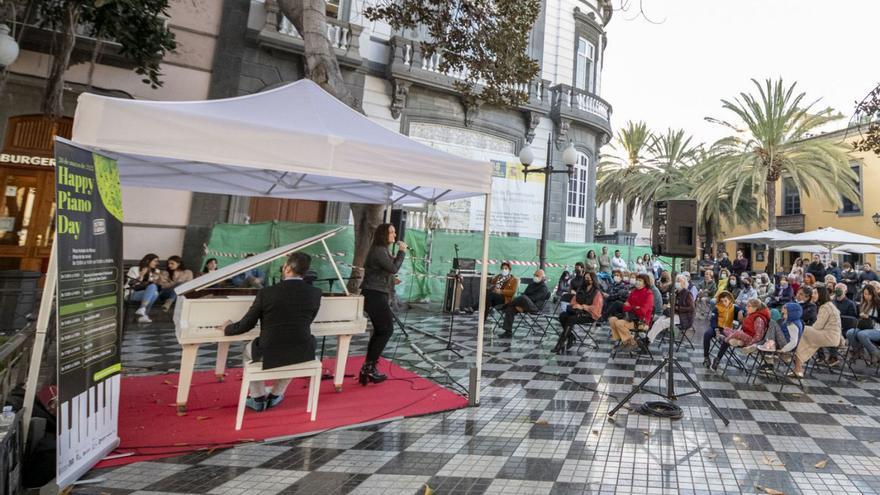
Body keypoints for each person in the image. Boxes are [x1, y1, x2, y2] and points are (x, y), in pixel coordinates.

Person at [218, 252, 320, 410]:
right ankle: (276, 394)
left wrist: (227, 328)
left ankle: (258, 398)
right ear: (305, 272)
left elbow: (247, 325)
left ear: (286, 269)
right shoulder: (315, 293)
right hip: (303, 348)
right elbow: (308, 320)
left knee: (247, 352)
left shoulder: (266, 293)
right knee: (295, 349)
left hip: (269, 349)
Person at [360, 223, 407, 384]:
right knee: (386, 329)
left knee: (381, 330)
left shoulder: (382, 250)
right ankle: (369, 367)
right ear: (383, 235)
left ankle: (369, 367)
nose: (394, 235)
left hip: (377, 292)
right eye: (391, 232)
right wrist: (402, 252)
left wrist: (391, 280)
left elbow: (383, 271)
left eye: (394, 232)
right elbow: (393, 268)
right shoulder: (379, 250)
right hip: (374, 294)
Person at [790, 286, 840, 377]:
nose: (812, 295)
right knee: (804, 337)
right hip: (829, 335)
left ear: (821, 295)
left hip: (829, 336)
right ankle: (797, 366)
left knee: (802, 330)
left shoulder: (825, 307)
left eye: (815, 293)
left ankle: (796, 365)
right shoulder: (829, 305)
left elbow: (818, 326)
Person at [711, 298, 769, 371]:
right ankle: (719, 357)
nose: (746, 307)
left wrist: (750, 345)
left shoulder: (759, 319)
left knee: (735, 335)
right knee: (726, 329)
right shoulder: (750, 314)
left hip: (750, 340)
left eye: (749, 306)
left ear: (755, 308)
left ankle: (723, 341)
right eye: (746, 305)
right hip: (743, 335)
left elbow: (758, 336)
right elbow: (743, 327)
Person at [556, 271, 603, 353]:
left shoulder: (597, 292)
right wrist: (575, 305)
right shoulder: (581, 289)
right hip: (577, 312)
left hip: (589, 315)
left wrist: (583, 307)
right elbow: (574, 300)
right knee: (562, 315)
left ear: (593, 280)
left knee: (571, 319)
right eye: (585, 278)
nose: (586, 280)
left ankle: (560, 343)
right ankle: (570, 337)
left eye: (588, 278)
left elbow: (596, 308)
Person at [608, 273, 654, 351]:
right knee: (612, 320)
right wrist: (635, 307)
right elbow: (625, 307)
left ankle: (632, 343)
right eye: (637, 280)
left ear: (645, 283)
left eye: (640, 280)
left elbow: (642, 311)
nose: (637, 282)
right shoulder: (633, 291)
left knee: (619, 323)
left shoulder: (649, 294)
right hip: (630, 317)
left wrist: (631, 307)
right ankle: (625, 341)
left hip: (641, 321)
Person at [499, 269, 550, 337]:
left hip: (534, 307)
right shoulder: (532, 284)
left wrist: (523, 307)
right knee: (510, 308)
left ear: (542, 277)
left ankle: (505, 306)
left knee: (523, 297)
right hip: (525, 304)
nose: (535, 276)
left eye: (537, 275)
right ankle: (508, 332)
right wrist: (522, 305)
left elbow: (534, 298)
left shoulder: (544, 288)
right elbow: (525, 293)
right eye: (534, 275)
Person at [648, 274, 695, 343]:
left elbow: (691, 308)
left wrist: (677, 307)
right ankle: (649, 339)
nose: (677, 283)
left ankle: (648, 340)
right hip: (673, 313)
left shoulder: (687, 294)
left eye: (679, 281)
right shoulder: (676, 292)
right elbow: (672, 304)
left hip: (684, 317)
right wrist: (668, 306)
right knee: (658, 322)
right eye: (676, 281)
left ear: (684, 283)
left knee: (663, 323)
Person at [847, 284, 880, 364]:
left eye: (869, 294)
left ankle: (876, 353)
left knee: (862, 334)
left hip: (877, 329)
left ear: (873, 294)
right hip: (864, 327)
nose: (867, 296)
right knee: (850, 332)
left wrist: (869, 316)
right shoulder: (863, 304)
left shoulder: (878, 304)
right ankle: (858, 352)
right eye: (865, 294)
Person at [703, 291, 735, 368]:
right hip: (716, 327)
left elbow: (742, 311)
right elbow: (713, 320)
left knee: (727, 340)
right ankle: (706, 357)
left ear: (730, 300)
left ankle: (718, 359)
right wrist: (716, 330)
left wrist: (741, 311)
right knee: (707, 334)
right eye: (721, 301)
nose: (723, 303)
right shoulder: (717, 307)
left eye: (725, 301)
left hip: (727, 329)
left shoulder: (734, 308)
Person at [127, 254, 162, 323]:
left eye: (157, 262)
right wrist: (141, 276)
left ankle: (142, 309)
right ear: (148, 260)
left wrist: (157, 280)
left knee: (155, 292)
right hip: (131, 293)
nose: (157, 263)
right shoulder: (134, 269)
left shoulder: (155, 271)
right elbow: (130, 284)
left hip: (146, 293)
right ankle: (144, 314)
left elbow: (156, 285)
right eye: (155, 261)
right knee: (153, 290)